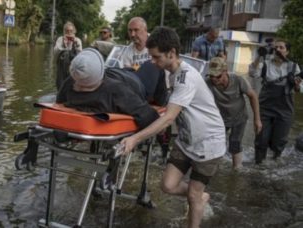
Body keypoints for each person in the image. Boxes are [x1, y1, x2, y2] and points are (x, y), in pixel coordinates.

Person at [121, 27, 226, 228]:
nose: (152, 61)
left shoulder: (185, 78)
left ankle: (197, 199)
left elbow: (169, 118)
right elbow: (171, 109)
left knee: (193, 197)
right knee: (167, 185)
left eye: (156, 57)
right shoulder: (171, 72)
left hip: (208, 143)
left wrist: (135, 139)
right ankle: (200, 196)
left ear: (171, 53)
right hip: (187, 140)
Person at [56, 48, 159, 130]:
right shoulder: (115, 90)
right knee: (153, 64)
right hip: (135, 81)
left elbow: (58, 104)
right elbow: (149, 117)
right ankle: (163, 102)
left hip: (119, 74)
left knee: (129, 69)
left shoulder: (69, 83)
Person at [249, 39, 301, 164]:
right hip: (265, 107)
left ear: (287, 51)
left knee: (279, 141)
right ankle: (259, 164)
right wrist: (259, 56)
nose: (277, 50)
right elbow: (252, 73)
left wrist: (295, 83)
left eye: (281, 48)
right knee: (261, 139)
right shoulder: (265, 64)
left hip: (285, 108)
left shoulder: (294, 66)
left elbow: (300, 89)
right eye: (275, 47)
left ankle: (276, 162)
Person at [206, 57, 262, 169]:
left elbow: (253, 96)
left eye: (217, 76)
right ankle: (214, 167)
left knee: (235, 143)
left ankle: (237, 168)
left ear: (225, 71)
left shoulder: (238, 80)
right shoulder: (208, 83)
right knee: (214, 142)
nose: (214, 79)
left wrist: (257, 119)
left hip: (239, 117)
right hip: (221, 118)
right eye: (211, 76)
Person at [54, 21, 82, 90]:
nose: (69, 33)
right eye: (67, 31)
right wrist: (64, 45)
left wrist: (75, 44)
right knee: (60, 85)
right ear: (64, 32)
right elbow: (55, 52)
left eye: (71, 31)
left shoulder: (78, 40)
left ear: (74, 32)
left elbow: (80, 55)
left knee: (72, 85)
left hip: (73, 68)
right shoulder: (60, 39)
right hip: (62, 68)